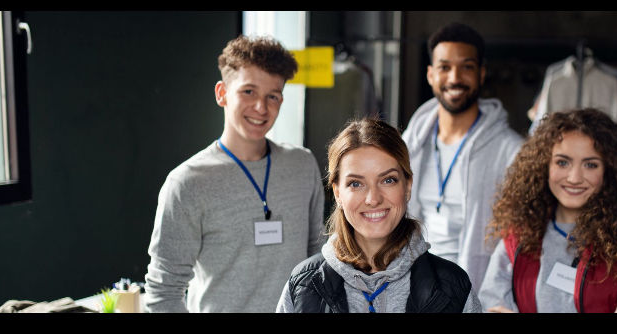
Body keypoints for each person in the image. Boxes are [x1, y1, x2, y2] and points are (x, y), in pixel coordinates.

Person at [144, 35, 326, 312]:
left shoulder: (302, 165)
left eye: (272, 96)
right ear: (222, 93)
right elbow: (163, 292)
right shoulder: (188, 183)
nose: (261, 107)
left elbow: (316, 257)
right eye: (248, 91)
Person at [276, 118, 482, 313]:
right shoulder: (303, 286)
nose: (373, 199)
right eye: (356, 184)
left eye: (388, 180)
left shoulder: (454, 286)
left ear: (408, 186)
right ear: (337, 193)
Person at [479, 108, 617, 313]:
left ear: (610, 172)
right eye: (562, 162)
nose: (574, 178)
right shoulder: (518, 237)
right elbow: (490, 305)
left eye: (590, 165)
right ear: (544, 165)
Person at [402, 22, 524, 291]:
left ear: (481, 74)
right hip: (415, 284)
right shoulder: (409, 145)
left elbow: (523, 236)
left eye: (466, 67)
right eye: (445, 67)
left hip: (476, 288)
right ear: (430, 74)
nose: (455, 78)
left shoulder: (512, 151)